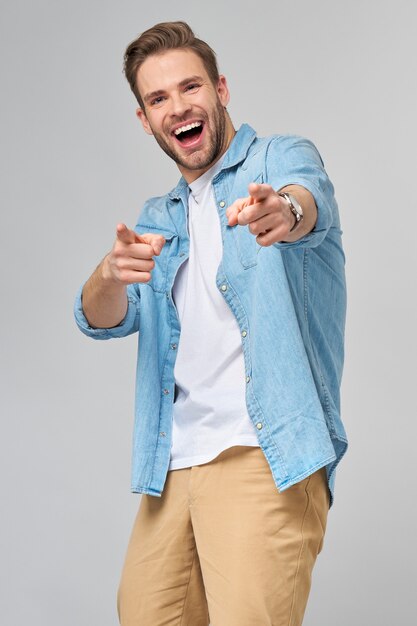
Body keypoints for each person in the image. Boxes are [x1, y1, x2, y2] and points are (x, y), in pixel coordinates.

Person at [74, 20, 348, 626]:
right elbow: (98, 319)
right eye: (158, 98)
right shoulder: (156, 218)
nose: (178, 107)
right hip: (169, 469)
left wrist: (284, 210)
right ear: (145, 120)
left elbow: (310, 200)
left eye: (190, 87)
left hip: (262, 454)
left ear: (220, 90)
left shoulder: (279, 157)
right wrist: (109, 274)